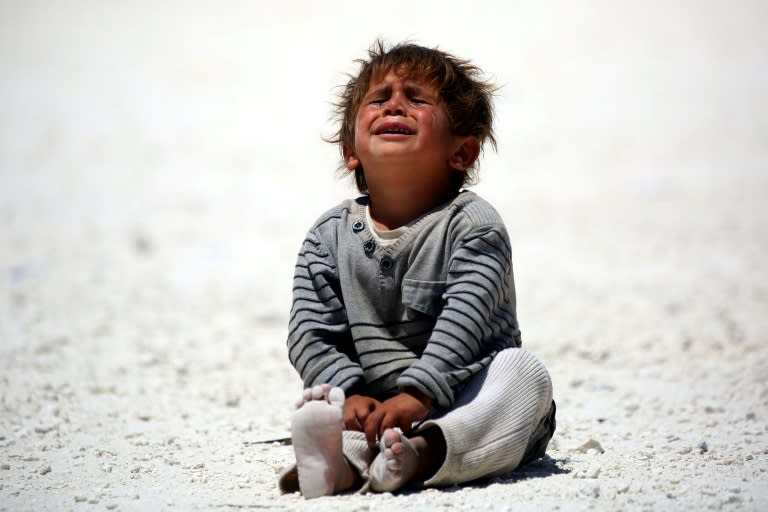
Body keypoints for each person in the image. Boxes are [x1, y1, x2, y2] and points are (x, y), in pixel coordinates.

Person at [278, 40, 556, 498]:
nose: (395, 106)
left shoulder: (472, 225)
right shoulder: (328, 235)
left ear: (462, 152)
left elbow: (466, 318)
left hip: (465, 398)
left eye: (416, 98)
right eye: (379, 98)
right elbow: (310, 330)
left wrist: (421, 395)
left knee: (523, 374)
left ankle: (422, 453)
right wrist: (347, 393)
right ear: (351, 150)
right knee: (337, 411)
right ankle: (340, 466)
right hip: (378, 407)